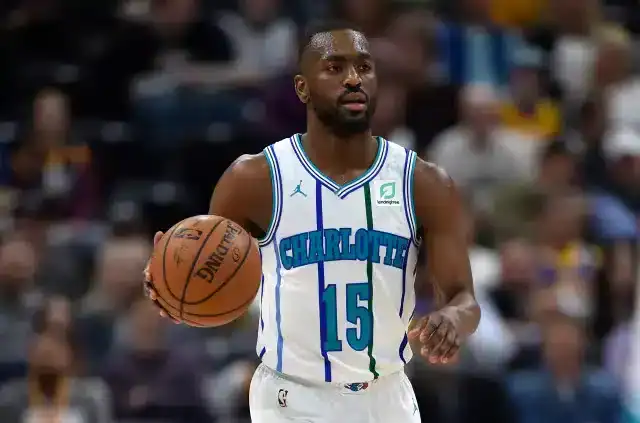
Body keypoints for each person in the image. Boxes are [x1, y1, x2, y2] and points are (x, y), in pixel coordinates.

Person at [144, 21, 480, 423]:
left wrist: (451, 319)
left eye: (364, 67)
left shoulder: (424, 183)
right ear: (302, 88)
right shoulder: (254, 179)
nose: (353, 79)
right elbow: (209, 277)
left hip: (387, 395)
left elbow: (464, 298)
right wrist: (174, 286)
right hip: (291, 397)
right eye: (335, 68)